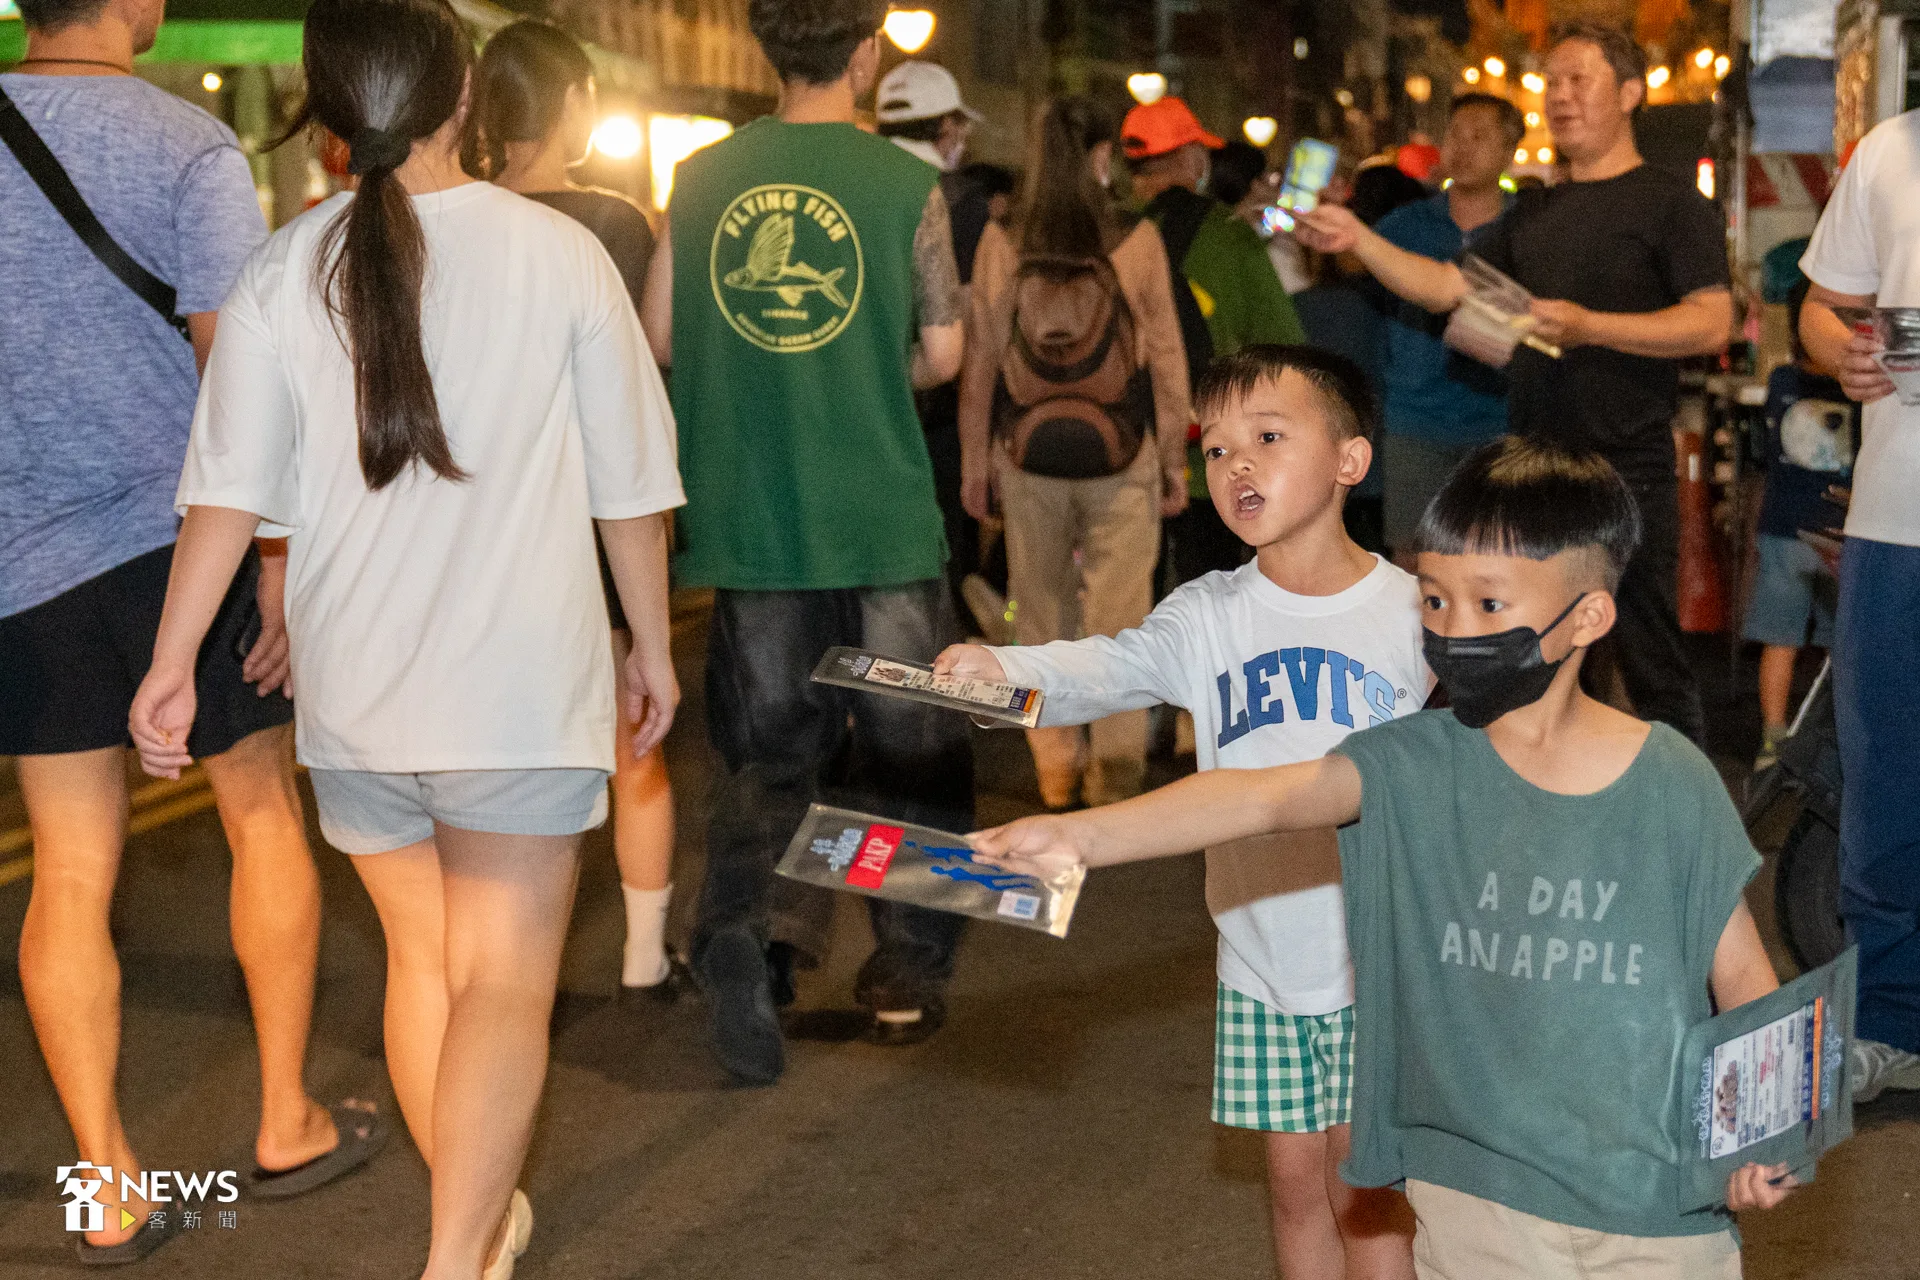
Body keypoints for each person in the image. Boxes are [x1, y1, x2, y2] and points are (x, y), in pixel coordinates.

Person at [126, 2, 684, 1277]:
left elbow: (225, 495)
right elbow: (629, 490)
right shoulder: (560, 255)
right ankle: (453, 1257)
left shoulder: (281, 269)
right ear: (463, 97)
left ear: (326, 116)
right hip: (517, 691)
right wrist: (649, 647)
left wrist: (170, 663)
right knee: (501, 982)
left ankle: (476, 1232)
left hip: (357, 699)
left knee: (424, 963)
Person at [974, 437, 1800, 1279]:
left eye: (1488, 603)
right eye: (1435, 600)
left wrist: (1763, 1125)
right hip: (1478, 1208)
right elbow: (1260, 798)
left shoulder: (1671, 781)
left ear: (1587, 616)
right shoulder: (1410, 763)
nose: (1454, 629)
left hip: (1655, 1212)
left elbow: (1741, 972)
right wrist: (1082, 837)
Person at [0, 0, 375, 1260]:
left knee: (69, 864)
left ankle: (107, 1185)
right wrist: (272, 561)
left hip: (20, 560)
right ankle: (286, 1118)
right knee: (260, 808)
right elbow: (237, 377)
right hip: (181, 547)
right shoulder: (185, 145)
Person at [940, 345, 1424, 1280]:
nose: (1238, 465)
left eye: (1269, 438)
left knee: (1365, 1195)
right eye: (1217, 449)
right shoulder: (1209, 613)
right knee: (1294, 1190)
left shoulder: (1412, 612)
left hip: (1379, 951)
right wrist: (1003, 670)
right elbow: (1105, 667)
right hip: (1260, 951)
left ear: (1350, 459)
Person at [640, 0, 970, 1084]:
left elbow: (660, 336)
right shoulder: (906, 184)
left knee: (767, 752)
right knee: (906, 747)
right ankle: (906, 964)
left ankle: (741, 933)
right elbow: (944, 351)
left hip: (752, 513)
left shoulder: (700, 179)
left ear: (765, 50)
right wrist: (869, 367)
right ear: (866, 53)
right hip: (881, 513)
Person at [1295, 21, 1733, 745]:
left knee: (1648, 652)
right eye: (1552, 83)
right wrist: (1360, 239)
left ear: (1630, 93)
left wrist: (1591, 326)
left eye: (1578, 80)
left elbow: (1712, 322)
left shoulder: (1670, 202)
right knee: (1539, 655)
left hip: (1626, 463)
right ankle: (1552, 791)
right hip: (1535, 466)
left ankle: (1687, 804)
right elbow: (1448, 288)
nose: (1560, 97)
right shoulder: (1535, 209)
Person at [467, 18, 686, 1000]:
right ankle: (645, 953)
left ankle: (506, 965)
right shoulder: (611, 223)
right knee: (631, 736)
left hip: (488, 520)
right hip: (597, 515)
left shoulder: (456, 217)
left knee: (509, 751)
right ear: (574, 102)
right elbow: (640, 383)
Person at [956, 96, 1191, 810]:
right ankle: (1114, 771)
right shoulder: (1135, 239)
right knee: (1122, 618)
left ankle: (1056, 767)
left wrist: (975, 463)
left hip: (1027, 458)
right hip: (1122, 454)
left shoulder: (1004, 239)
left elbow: (981, 362)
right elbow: (1167, 355)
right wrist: (1173, 459)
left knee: (1039, 616)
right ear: (1101, 155)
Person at [1798, 99, 1920, 1103]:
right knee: (1885, 782)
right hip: (1894, 521)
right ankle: (1889, 1020)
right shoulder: (1890, 148)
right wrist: (1839, 347)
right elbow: (1821, 308)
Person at [1125, 94, 1308, 585]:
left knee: (1127, 601)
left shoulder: (1110, 234)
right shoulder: (1230, 236)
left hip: (1121, 452)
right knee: (1209, 598)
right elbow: (1284, 347)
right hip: (1209, 462)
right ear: (1192, 158)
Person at [1371, 93, 1523, 563]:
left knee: (1496, 561)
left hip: (1501, 422)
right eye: (1455, 134)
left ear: (1509, 150)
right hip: (1416, 419)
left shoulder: (1528, 226)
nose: (1463, 146)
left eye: (1480, 136)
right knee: (1413, 561)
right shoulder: (1404, 225)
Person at [876, 58, 991, 635]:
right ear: (945, 127)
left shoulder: (863, 185)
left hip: (867, 400)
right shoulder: (960, 199)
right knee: (939, 553)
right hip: (938, 407)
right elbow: (968, 319)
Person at [1744, 281, 1851, 772]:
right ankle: (1834, 739)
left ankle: (1774, 738)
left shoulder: (1782, 379)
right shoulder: (1858, 387)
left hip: (1785, 529)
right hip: (1838, 533)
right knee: (1841, 645)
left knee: (1780, 638)